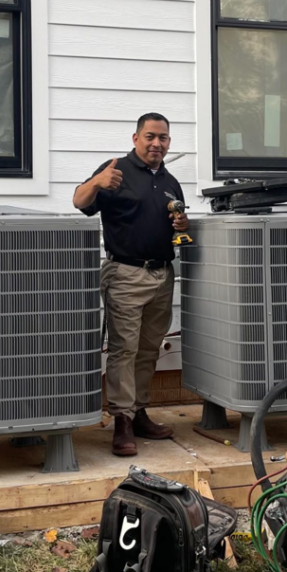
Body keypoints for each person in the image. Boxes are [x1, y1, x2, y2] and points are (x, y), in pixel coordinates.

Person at [73, 113, 189, 456]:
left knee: (150, 348)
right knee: (124, 349)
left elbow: (176, 229)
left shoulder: (170, 181)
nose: (157, 143)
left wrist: (181, 223)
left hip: (163, 274)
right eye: (150, 136)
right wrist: (96, 183)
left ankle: (138, 412)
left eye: (163, 138)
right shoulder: (115, 171)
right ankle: (121, 420)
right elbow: (79, 201)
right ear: (136, 137)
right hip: (125, 273)